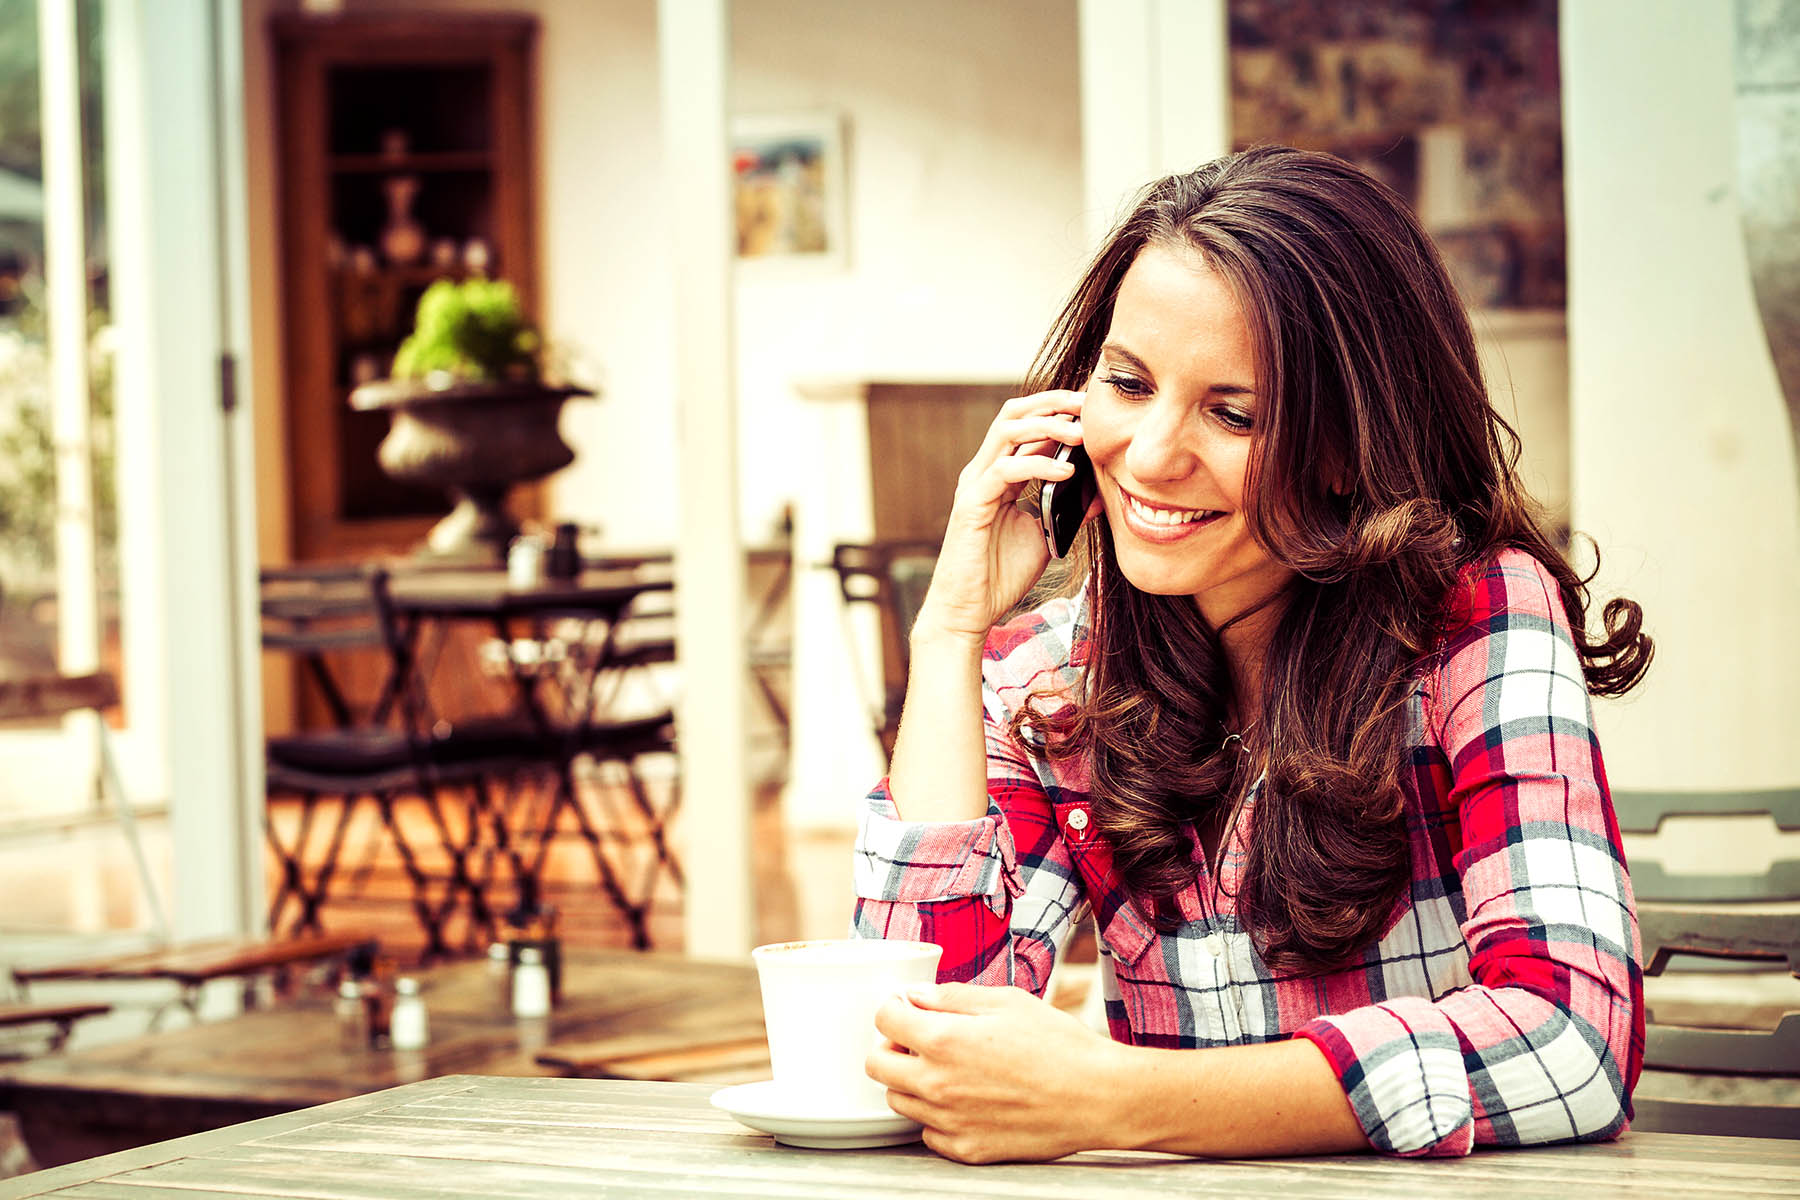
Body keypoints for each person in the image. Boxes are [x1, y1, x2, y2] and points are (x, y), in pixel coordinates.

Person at [852, 145, 1651, 1164]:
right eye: (1127, 383)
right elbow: (923, 1040)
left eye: (1233, 413)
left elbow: (1573, 1041)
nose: (1149, 456)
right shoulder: (1049, 673)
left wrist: (1119, 1099)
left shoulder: (1475, 618)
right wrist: (948, 632)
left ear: (1347, 440)